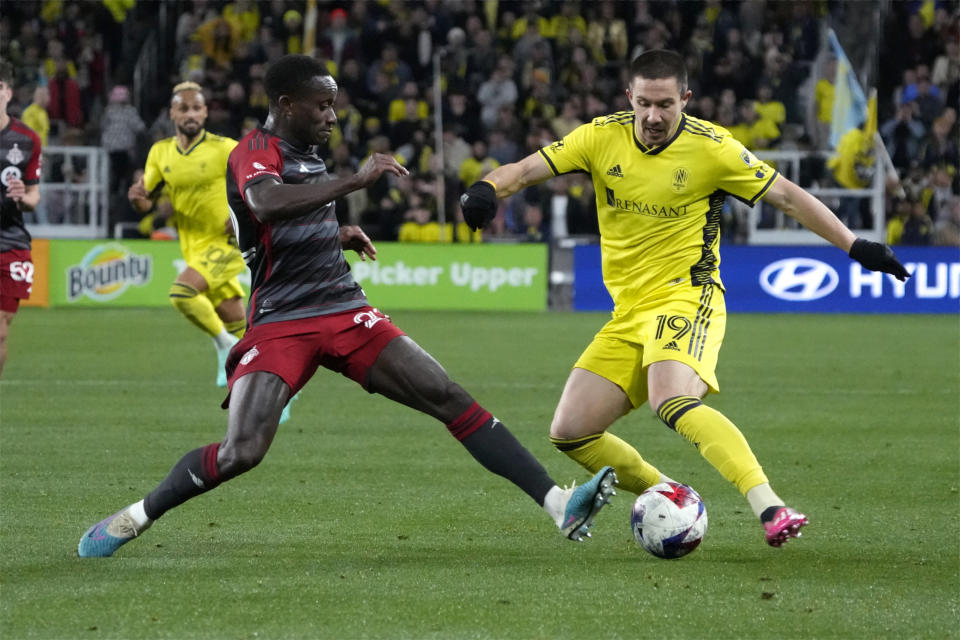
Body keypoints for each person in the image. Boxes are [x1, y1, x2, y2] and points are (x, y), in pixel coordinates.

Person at [77, 55, 616, 558]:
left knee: (447, 395)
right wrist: (356, 180)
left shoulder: (310, 156)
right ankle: (136, 516)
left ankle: (558, 505)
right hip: (282, 321)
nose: (332, 116)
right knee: (242, 451)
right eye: (322, 105)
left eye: (333, 105)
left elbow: (294, 214)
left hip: (342, 307)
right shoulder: (254, 151)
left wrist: (337, 232)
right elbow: (265, 205)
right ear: (287, 104)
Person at [460, 50, 911, 548]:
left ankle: (770, 506)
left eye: (666, 105)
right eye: (645, 104)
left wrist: (855, 245)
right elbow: (522, 172)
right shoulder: (598, 136)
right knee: (571, 431)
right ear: (629, 97)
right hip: (627, 312)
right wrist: (485, 187)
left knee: (670, 399)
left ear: (686, 100)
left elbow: (785, 196)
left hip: (687, 297)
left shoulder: (712, 148)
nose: (653, 117)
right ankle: (667, 494)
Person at [127, 82, 251, 395]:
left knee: (182, 292)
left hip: (227, 243)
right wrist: (137, 197)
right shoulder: (160, 152)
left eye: (197, 108)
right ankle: (266, 376)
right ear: (172, 113)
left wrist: (244, 212)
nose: (191, 114)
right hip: (193, 247)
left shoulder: (226, 148)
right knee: (237, 319)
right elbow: (147, 201)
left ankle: (225, 348)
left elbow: (260, 180)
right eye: (184, 109)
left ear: (206, 112)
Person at [0, 60, 43, 379]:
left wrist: (21, 196)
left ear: (8, 92)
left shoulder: (26, 139)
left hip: (9, 242)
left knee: (1, 330)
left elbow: (33, 197)